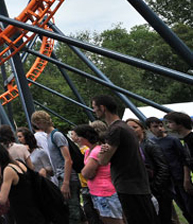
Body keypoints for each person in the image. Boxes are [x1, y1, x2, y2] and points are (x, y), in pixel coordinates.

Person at [92, 95, 158, 224]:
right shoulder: (124, 127)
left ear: (102, 108)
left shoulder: (115, 130)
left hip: (128, 186)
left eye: (94, 107)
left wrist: (102, 151)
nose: (93, 110)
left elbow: (102, 160)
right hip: (137, 184)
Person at [31, 110, 82, 223]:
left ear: (40, 122)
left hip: (67, 177)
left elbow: (68, 160)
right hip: (61, 176)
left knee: (73, 210)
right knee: (68, 209)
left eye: (37, 123)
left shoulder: (56, 135)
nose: (37, 126)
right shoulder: (49, 136)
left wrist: (66, 182)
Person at [147, 116, 193, 223]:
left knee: (189, 204)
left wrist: (186, 178)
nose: (159, 128)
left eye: (160, 125)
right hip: (167, 181)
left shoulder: (173, 140)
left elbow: (184, 159)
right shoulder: (151, 142)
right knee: (182, 207)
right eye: (155, 126)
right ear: (149, 129)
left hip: (179, 177)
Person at [74, 124, 124, 224]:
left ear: (83, 137)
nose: (75, 139)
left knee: (112, 221)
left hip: (104, 192)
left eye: (76, 136)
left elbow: (86, 173)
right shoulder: (89, 151)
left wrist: (87, 172)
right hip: (97, 192)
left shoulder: (96, 151)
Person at [0, 142, 47, 224]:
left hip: (23, 213)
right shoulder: (18, 163)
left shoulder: (8, 170)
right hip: (34, 208)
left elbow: (2, 199)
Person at [126, 118, 172, 224]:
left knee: (163, 218)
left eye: (135, 127)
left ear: (142, 129)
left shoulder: (150, 145)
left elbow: (163, 167)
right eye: (129, 128)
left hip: (157, 190)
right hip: (145, 190)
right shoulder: (133, 146)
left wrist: (155, 187)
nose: (132, 130)